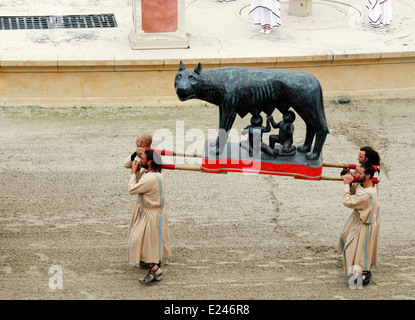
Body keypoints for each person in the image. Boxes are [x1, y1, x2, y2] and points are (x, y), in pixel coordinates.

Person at [127, 149, 171, 284]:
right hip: (153, 212)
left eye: (143, 159)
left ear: (150, 162)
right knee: (148, 243)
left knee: (138, 241)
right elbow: (141, 184)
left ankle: (156, 270)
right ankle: (153, 270)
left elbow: (132, 189)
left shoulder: (150, 178)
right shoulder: (155, 174)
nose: (140, 161)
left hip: (151, 214)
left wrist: (133, 172)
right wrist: (139, 171)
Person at [339, 163, 380, 285]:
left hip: (364, 225)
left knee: (358, 251)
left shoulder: (367, 194)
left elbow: (348, 201)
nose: (357, 175)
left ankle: (363, 274)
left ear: (368, 176)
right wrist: (346, 175)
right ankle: (360, 272)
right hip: (357, 221)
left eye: (360, 174)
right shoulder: (363, 186)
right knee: (347, 241)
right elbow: (354, 189)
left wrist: (346, 185)